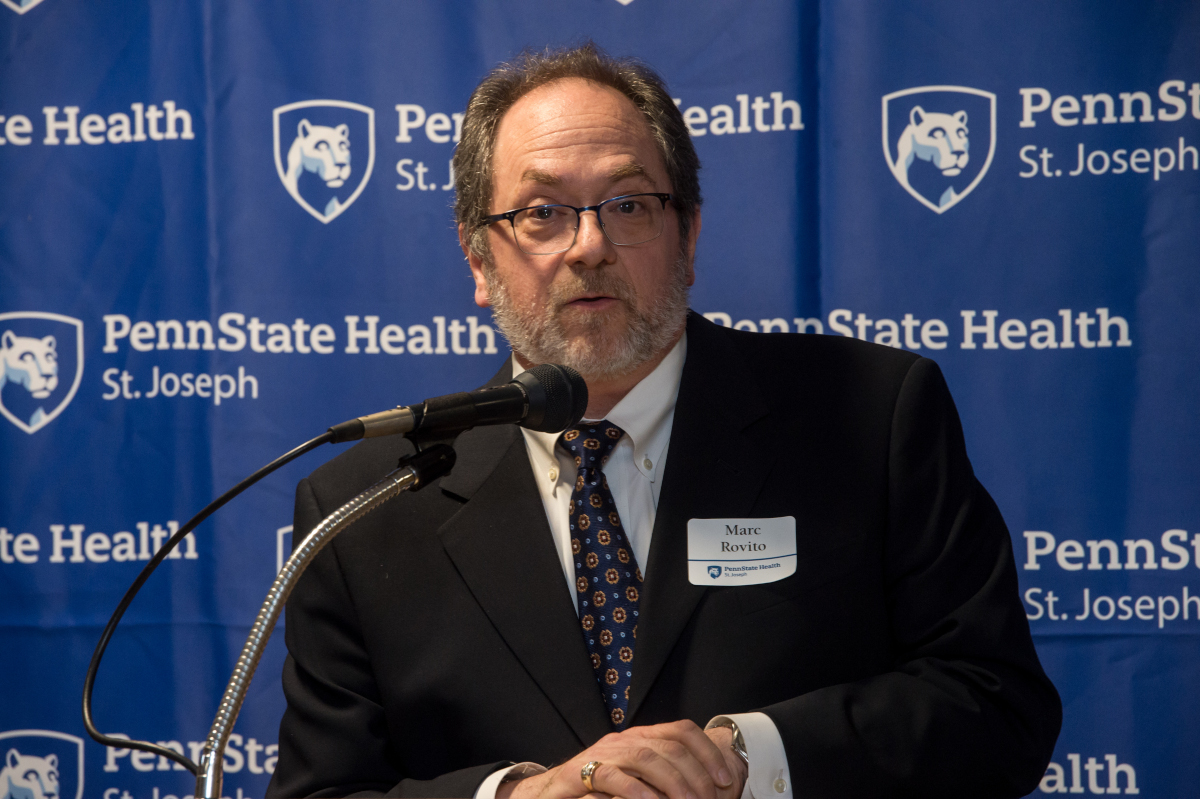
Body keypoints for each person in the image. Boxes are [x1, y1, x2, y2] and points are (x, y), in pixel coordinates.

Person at [267, 44, 1060, 799]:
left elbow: (997, 707)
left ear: (690, 233)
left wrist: (746, 758)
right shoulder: (367, 509)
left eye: (629, 204)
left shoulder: (870, 415)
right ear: (479, 260)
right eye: (542, 212)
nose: (590, 245)